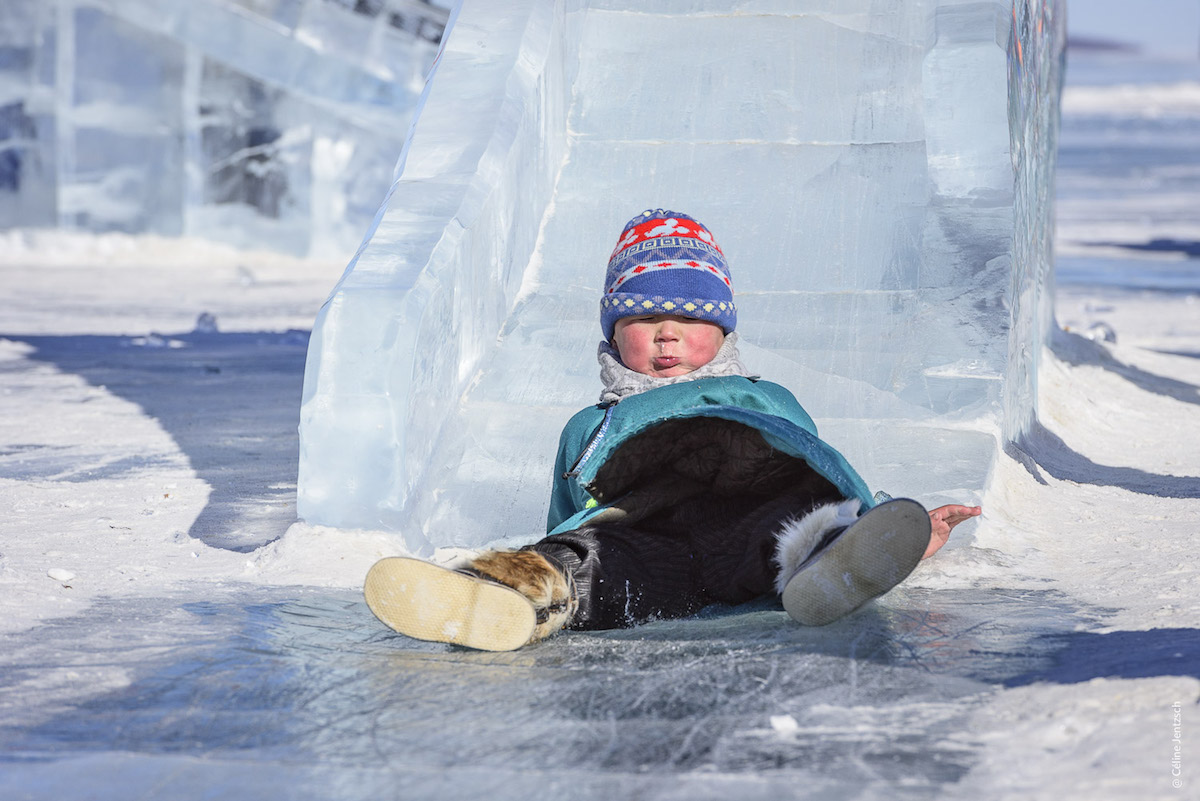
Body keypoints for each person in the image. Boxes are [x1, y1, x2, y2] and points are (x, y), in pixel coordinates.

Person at [365, 209, 981, 651]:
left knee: (799, 527)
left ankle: (834, 563)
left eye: (689, 315)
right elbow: (571, 516)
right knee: (585, 563)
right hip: (646, 550)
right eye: (645, 316)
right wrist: (558, 549)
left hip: (753, 536)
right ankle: (503, 598)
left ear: (723, 330)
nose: (667, 332)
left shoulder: (763, 398)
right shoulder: (591, 423)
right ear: (612, 331)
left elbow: (819, 475)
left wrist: (888, 531)